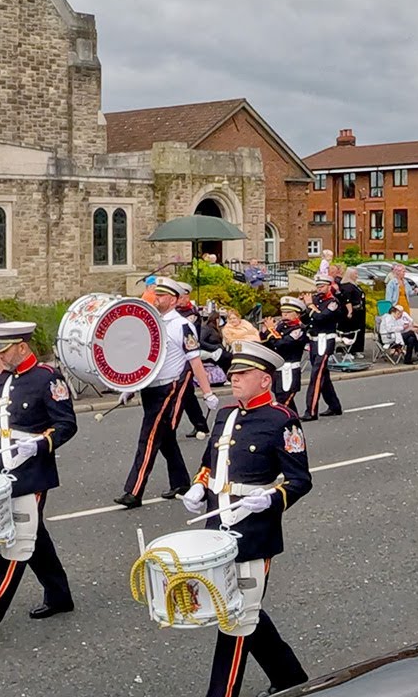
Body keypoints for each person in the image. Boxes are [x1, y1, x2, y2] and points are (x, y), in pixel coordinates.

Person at [180, 341, 312, 697]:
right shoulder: (225, 414)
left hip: (254, 532)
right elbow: (212, 463)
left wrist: (269, 498)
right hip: (217, 528)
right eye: (233, 374)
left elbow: (300, 481)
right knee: (239, 609)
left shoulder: (282, 420)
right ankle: (290, 677)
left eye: (242, 375)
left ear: (265, 381)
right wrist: (198, 486)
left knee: (236, 619)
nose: (233, 379)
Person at [0, 321, 77, 637]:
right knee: (35, 535)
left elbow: (66, 425)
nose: (0, 356)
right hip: (1, 468)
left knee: (18, 540)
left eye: (4, 349)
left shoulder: (47, 379)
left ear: (22, 346)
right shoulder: (3, 380)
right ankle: (59, 595)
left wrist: (38, 443)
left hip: (31, 473)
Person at [115, 278, 218, 508]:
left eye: (161, 296)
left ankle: (134, 490)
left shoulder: (181, 326)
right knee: (165, 437)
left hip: (168, 388)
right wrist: (131, 388)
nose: (156, 298)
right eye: (156, 294)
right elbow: (145, 358)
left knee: (149, 438)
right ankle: (181, 482)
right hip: (150, 388)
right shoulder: (154, 322)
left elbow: (195, 361)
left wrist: (207, 392)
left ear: (172, 300)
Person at [301, 275, 343, 421]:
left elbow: (321, 317)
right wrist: (305, 308)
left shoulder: (333, 302)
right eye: (318, 286)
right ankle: (334, 405)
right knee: (323, 374)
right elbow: (307, 320)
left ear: (329, 286)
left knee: (316, 375)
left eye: (322, 286)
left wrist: (310, 306)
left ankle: (311, 410)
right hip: (314, 340)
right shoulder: (316, 300)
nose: (319, 289)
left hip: (325, 340)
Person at [175, 285, 213, 439]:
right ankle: (200, 425)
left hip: (188, 357)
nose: (181, 300)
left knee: (183, 393)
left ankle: (197, 425)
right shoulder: (174, 313)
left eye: (183, 297)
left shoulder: (191, 314)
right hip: (176, 358)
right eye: (179, 297)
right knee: (187, 395)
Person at [260, 297, 309, 409]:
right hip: (278, 371)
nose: (284, 315)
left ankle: (292, 424)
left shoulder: (298, 329)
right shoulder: (280, 326)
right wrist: (265, 331)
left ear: (297, 314)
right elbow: (268, 344)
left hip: (289, 370)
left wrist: (271, 331)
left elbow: (282, 344)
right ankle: (293, 424)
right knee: (283, 402)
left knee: (284, 403)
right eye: (283, 312)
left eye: (288, 312)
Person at [337, 266, 367, 356]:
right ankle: (347, 350)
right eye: (355, 274)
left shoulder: (355, 285)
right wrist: (350, 311)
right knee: (349, 331)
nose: (357, 276)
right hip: (351, 312)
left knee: (359, 331)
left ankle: (356, 349)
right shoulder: (347, 286)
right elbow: (347, 300)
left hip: (359, 311)